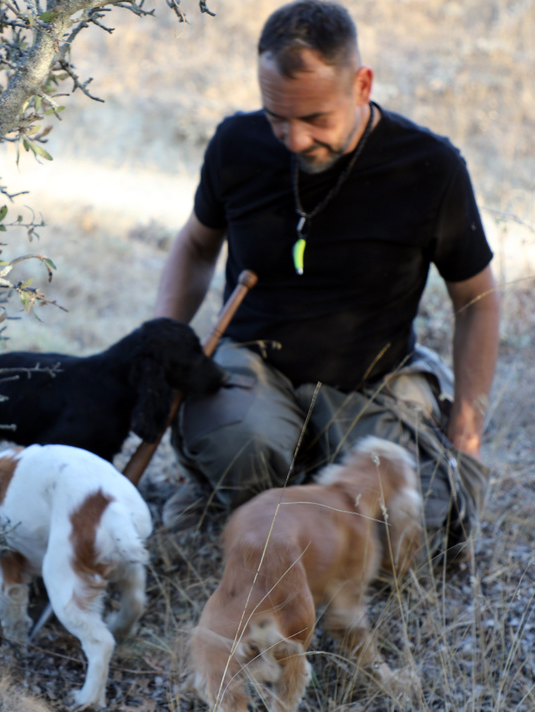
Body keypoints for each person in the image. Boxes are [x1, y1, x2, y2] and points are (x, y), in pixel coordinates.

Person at [156, 0, 500, 561]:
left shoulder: (430, 168)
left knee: (411, 538)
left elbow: (478, 300)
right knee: (242, 449)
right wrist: (163, 339)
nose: (292, 139)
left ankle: (308, 487)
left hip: (372, 378)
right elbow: (196, 244)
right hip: (255, 363)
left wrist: (466, 432)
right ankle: (247, 494)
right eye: (276, 117)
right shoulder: (237, 146)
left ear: (361, 85)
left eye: (315, 119)